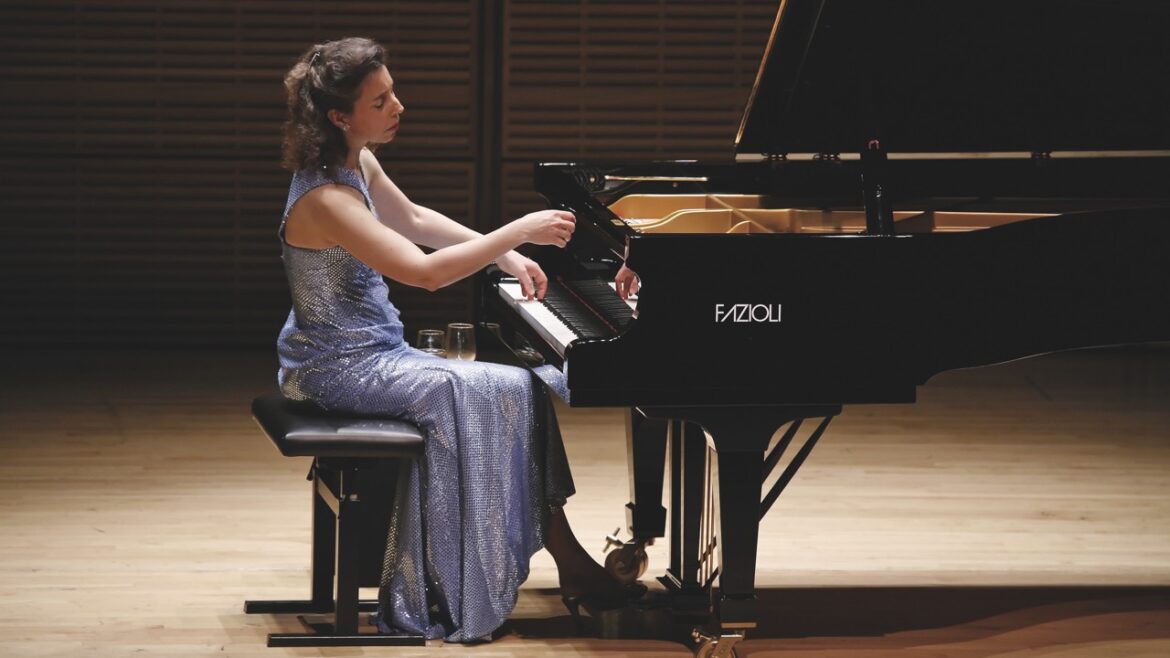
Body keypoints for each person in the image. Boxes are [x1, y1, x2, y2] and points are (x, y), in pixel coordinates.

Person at [276, 37, 636, 642]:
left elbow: (412, 219)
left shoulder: (354, 162)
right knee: (505, 388)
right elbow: (424, 271)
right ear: (340, 116)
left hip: (372, 353)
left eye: (393, 92)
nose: (399, 106)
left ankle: (568, 562)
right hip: (335, 367)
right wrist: (518, 230)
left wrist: (510, 257)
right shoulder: (326, 198)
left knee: (518, 388)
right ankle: (463, 584)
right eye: (380, 100)